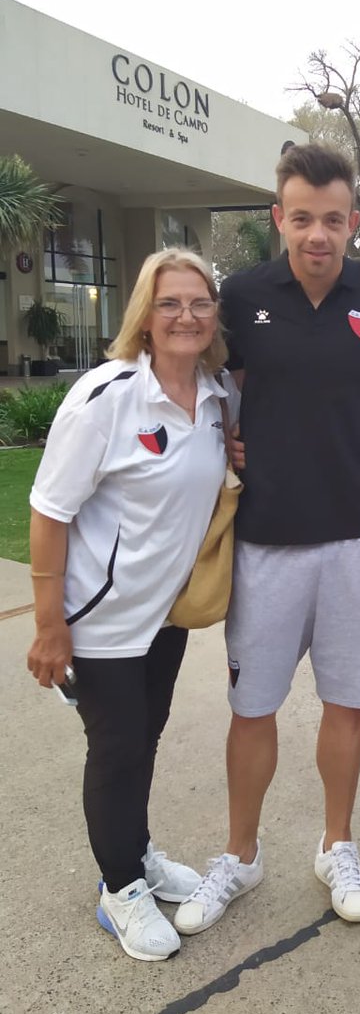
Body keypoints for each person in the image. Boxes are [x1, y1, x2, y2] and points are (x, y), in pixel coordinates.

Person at [174, 143, 360, 935]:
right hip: (266, 540)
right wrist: (228, 443)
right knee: (254, 707)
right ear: (279, 218)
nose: (318, 234)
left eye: (333, 220)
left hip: (357, 539)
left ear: (352, 222)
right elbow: (211, 386)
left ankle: (336, 844)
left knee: (348, 705)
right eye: (303, 218)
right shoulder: (240, 297)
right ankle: (241, 856)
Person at [26, 249, 239, 962]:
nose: (186, 316)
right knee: (115, 751)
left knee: (143, 738)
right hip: (101, 620)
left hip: (165, 618)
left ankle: (137, 853)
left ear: (214, 316)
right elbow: (49, 512)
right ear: (144, 317)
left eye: (199, 303)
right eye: (170, 303)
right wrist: (50, 626)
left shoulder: (213, 398)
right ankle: (119, 889)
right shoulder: (106, 397)